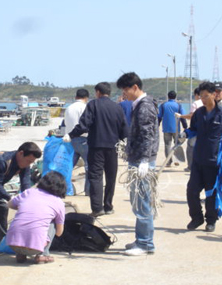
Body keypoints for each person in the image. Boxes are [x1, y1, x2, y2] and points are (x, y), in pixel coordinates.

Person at [64, 82, 128, 217]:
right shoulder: (117, 107)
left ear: (98, 92)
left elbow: (84, 125)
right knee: (111, 178)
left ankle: (97, 208)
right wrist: (126, 145)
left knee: (96, 177)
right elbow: (124, 129)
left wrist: (70, 135)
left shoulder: (93, 105)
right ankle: (109, 206)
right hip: (112, 147)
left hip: (96, 146)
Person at [116, 72, 159, 256]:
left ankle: (145, 243)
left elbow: (148, 135)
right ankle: (140, 239)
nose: (124, 94)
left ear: (135, 87)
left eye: (125, 90)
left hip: (143, 161)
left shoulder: (145, 106)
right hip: (137, 159)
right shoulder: (138, 105)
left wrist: (144, 160)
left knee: (142, 202)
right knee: (137, 201)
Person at [186, 81, 222, 232]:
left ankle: (211, 220)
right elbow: (193, 129)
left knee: (211, 192)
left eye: (206, 96)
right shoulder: (199, 114)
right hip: (198, 159)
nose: (203, 99)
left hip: (214, 160)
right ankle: (196, 218)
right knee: (192, 190)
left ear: (214, 95)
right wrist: (184, 134)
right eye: (201, 96)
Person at [6, 171, 66, 264]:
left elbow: (10, 204)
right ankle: (42, 255)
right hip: (35, 248)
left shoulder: (29, 192)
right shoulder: (58, 202)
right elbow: (59, 232)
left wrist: (22, 207)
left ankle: (21, 255)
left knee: (22, 216)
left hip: (12, 245)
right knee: (53, 222)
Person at [64, 88, 90, 195]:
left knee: (68, 166)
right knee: (89, 166)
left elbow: (65, 123)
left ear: (76, 97)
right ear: (86, 98)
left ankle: (65, 190)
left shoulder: (68, 108)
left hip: (70, 139)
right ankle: (89, 191)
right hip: (83, 139)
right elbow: (86, 124)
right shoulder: (85, 107)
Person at [158, 90, 187, 167]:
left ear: (168, 96)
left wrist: (157, 126)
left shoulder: (163, 105)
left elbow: (159, 117)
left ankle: (168, 161)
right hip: (176, 129)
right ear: (175, 97)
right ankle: (177, 160)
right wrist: (185, 126)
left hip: (166, 128)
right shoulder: (178, 105)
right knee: (177, 144)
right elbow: (182, 117)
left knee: (167, 145)